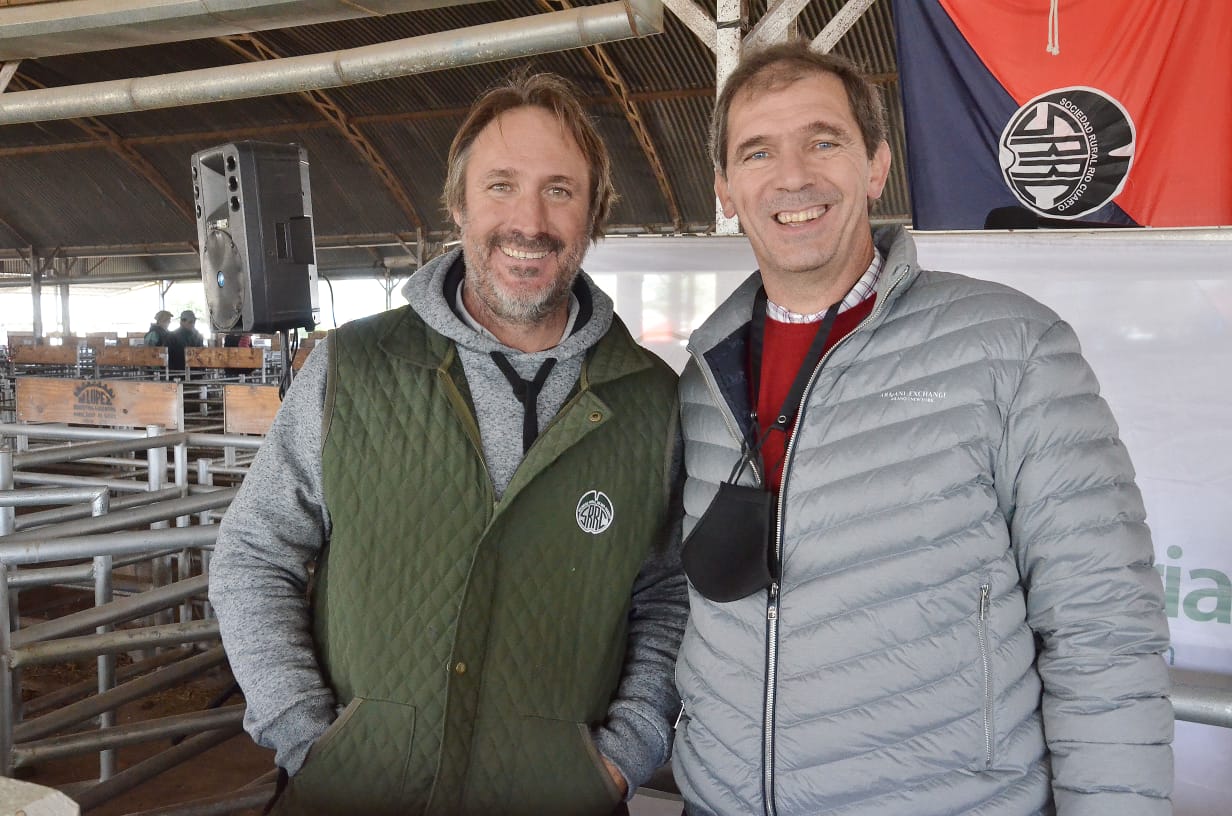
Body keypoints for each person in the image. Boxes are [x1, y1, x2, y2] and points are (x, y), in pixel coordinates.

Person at [672, 41, 1172, 816]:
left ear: (876, 166)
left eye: (823, 141)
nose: (793, 176)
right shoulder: (703, 378)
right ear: (726, 189)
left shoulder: (1011, 347)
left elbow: (1104, 627)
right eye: (758, 152)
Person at [208, 72, 686, 816]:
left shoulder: (652, 399)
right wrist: (308, 739)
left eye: (560, 191)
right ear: (459, 204)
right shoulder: (352, 367)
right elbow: (253, 553)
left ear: (593, 215)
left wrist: (622, 758)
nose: (529, 221)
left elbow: (667, 595)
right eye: (501, 186)